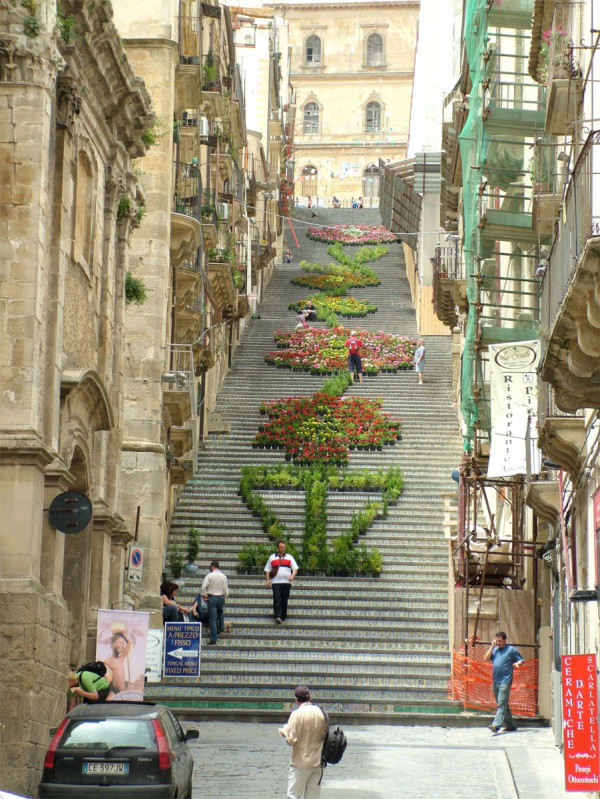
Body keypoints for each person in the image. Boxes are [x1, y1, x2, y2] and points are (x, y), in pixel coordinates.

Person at [279, 685, 328, 799]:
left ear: (296, 699)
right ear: (309, 697)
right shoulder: (322, 712)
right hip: (318, 762)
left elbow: (291, 740)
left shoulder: (296, 715)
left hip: (300, 763)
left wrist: (285, 733)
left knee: (293, 796)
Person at [484, 631, 524, 733]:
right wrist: (492, 647)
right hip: (496, 681)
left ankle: (496, 725)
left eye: (500, 641)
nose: (498, 643)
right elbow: (485, 659)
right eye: (496, 641)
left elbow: (521, 660)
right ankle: (511, 724)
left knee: (501, 704)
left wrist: (518, 664)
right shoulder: (495, 650)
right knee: (502, 703)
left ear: (505, 640)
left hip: (505, 681)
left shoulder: (511, 650)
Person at [264, 540, 298, 624]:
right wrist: (268, 580)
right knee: (277, 598)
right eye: (281, 547)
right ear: (277, 548)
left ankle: (283, 616)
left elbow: (295, 568)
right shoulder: (272, 557)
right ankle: (277, 616)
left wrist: (292, 576)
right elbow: (267, 569)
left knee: (284, 599)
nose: (283, 549)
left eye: (284, 547)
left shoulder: (289, 557)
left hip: (286, 582)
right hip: (276, 582)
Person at [201, 560, 229, 645]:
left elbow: (203, 587)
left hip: (212, 597)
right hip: (221, 597)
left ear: (212, 566)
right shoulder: (224, 576)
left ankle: (213, 639)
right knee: (220, 611)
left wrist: (204, 595)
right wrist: (225, 595)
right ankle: (221, 627)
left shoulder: (209, 576)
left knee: (213, 619)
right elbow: (226, 589)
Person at [103, 629, 131, 695]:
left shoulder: (121, 658)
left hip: (123, 692)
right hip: (114, 692)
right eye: (120, 643)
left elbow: (129, 643)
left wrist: (122, 634)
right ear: (112, 644)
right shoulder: (107, 662)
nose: (122, 645)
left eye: (123, 644)